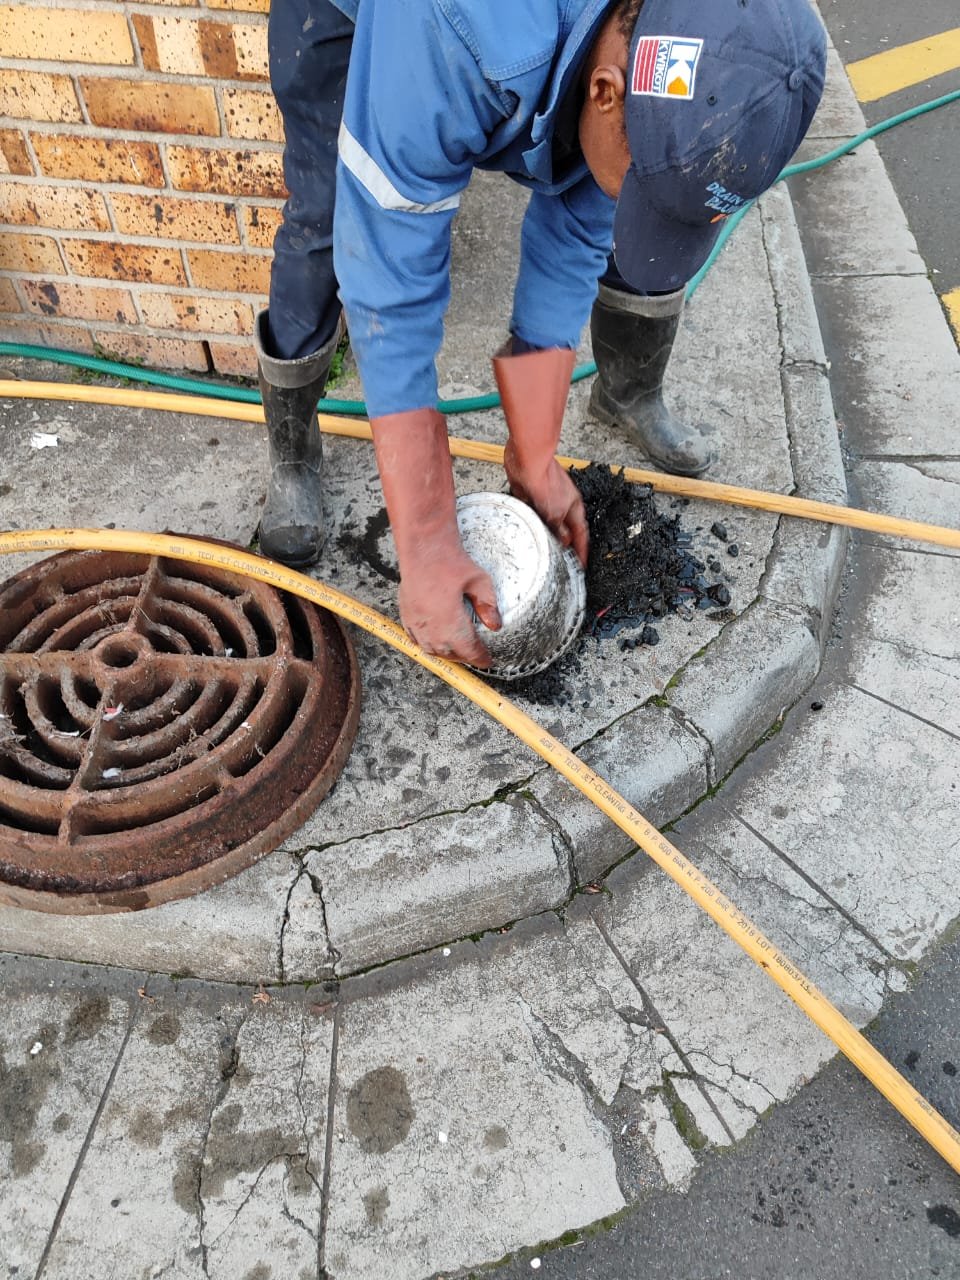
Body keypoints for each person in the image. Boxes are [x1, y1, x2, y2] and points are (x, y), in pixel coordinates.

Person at [255, 0, 826, 666]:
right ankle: (293, 450)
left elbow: (580, 219)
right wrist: (428, 536)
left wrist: (533, 447)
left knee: (587, 160)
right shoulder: (461, 28)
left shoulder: (688, 36)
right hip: (355, 18)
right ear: (604, 90)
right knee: (326, 221)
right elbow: (389, 287)